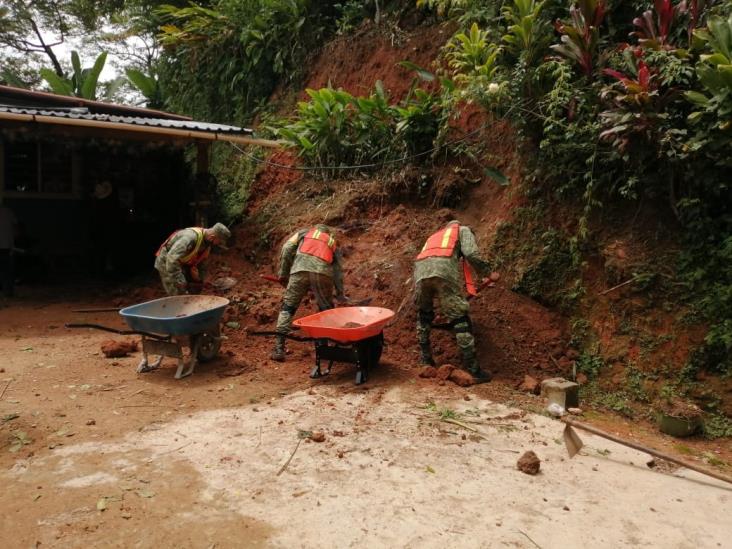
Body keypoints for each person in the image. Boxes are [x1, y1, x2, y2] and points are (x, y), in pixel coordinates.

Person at [414, 219, 492, 381]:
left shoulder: (435, 236)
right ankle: (473, 369)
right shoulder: (462, 230)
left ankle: (425, 360)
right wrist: (487, 272)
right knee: (460, 317)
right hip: (443, 270)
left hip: (420, 272)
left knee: (424, 314)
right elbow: (471, 254)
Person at [271, 224, 345, 362]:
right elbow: (338, 271)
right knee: (324, 311)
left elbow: (287, 248)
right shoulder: (331, 242)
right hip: (323, 274)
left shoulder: (304, 233)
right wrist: (340, 293)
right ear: (327, 233)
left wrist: (283, 274)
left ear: (315, 229)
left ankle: (278, 349)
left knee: (288, 308)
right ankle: (323, 348)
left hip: (299, 271)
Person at [154, 223, 231, 295]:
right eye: (219, 242)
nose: (218, 244)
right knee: (177, 290)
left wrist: (200, 280)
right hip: (166, 260)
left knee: (193, 287)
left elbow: (202, 264)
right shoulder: (190, 237)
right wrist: (180, 281)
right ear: (212, 237)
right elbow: (172, 259)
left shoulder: (207, 244)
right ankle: (179, 305)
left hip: (182, 261)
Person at [0, 198, 17, 297]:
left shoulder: (8, 212)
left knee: (5, 270)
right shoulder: (8, 212)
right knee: (6, 270)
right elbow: (15, 227)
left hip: (4, 244)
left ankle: (6, 291)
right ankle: (8, 292)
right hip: (6, 245)